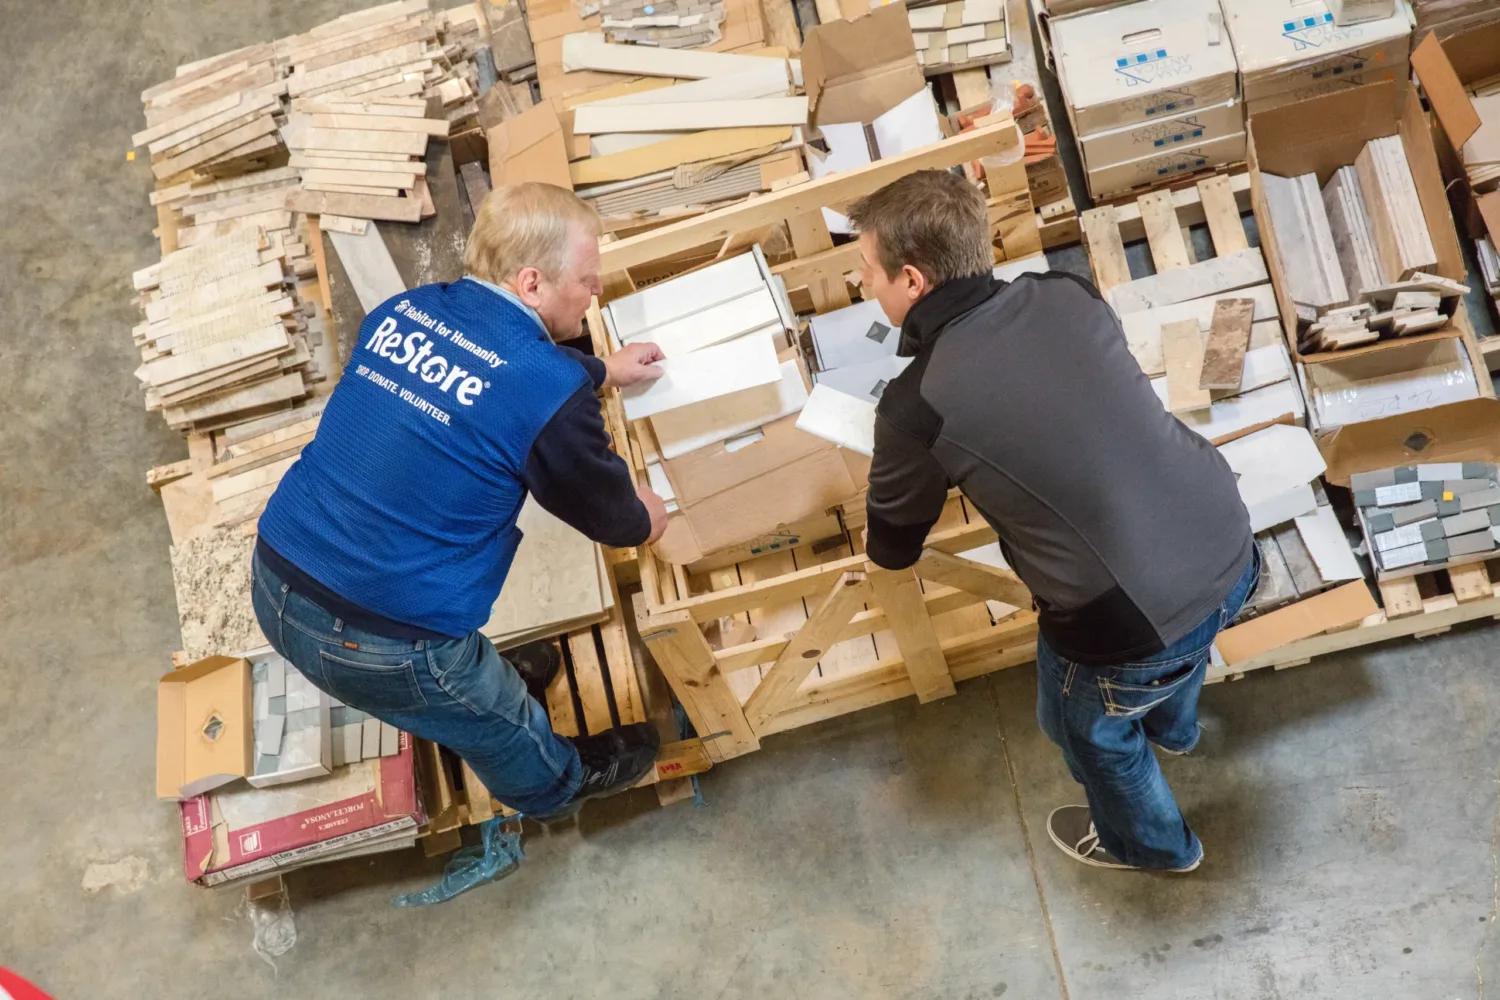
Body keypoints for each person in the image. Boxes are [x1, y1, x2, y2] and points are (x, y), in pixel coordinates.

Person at [850, 170, 1257, 872]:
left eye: (867, 274)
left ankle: (1154, 848)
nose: (864, 288)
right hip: (1228, 536)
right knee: (1186, 643)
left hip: (1125, 622)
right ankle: (1176, 729)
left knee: (1086, 732)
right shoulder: (1064, 291)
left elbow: (894, 544)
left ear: (911, 282)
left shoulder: (915, 403)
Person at [251, 183, 672, 822]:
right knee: (499, 719)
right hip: (383, 642)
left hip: (276, 576)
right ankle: (554, 786)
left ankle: (455, 691)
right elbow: (616, 521)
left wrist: (604, 371)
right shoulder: (542, 388)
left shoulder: (406, 309)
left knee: (463, 679)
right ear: (532, 284)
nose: (597, 293)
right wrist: (647, 515)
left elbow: (498, 372)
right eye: (587, 281)